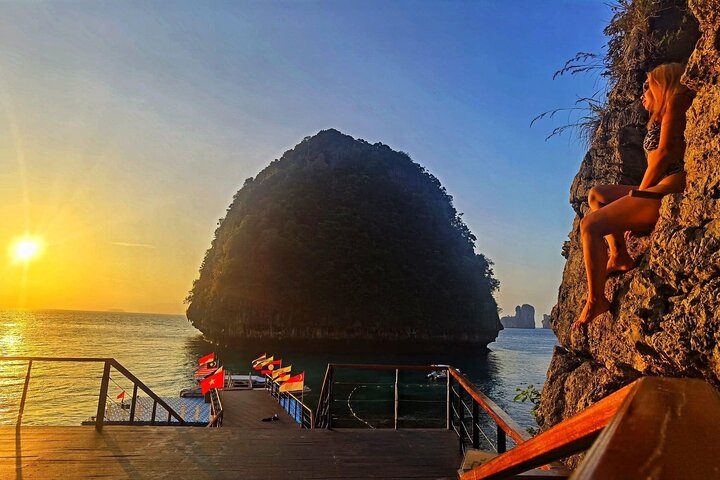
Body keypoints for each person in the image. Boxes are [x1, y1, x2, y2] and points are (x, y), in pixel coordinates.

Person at [573, 63, 694, 329]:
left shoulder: (677, 100)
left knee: (590, 226)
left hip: (670, 186)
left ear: (663, 84)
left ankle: (596, 300)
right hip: (657, 186)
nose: (642, 93)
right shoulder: (661, 114)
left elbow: (662, 156)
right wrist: (637, 194)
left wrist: (639, 194)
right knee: (596, 196)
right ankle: (618, 255)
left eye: (647, 86)